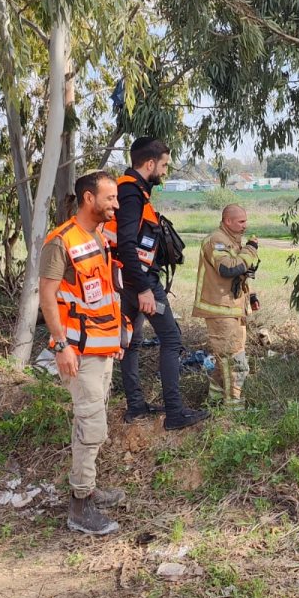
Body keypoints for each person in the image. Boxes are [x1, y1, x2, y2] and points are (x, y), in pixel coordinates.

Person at [39, 171, 128, 536]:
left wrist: (118, 338)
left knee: (92, 422)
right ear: (89, 199)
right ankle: (80, 506)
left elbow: (106, 292)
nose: (116, 205)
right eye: (110, 198)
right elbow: (47, 296)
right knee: (91, 426)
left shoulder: (101, 238)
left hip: (101, 348)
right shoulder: (61, 242)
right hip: (78, 351)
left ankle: (88, 487)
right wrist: (61, 346)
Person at [105, 137, 208, 431]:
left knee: (132, 341)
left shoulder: (130, 190)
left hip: (126, 277)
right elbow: (126, 243)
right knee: (172, 338)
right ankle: (175, 412)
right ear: (149, 164)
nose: (164, 171)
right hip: (138, 278)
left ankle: (136, 406)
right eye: (163, 165)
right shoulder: (131, 193)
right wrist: (144, 289)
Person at [192, 204, 259, 408]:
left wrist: (251, 296)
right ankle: (233, 409)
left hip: (234, 308)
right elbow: (228, 268)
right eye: (241, 221)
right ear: (227, 221)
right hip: (220, 309)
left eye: (245, 221)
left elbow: (241, 272)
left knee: (226, 360)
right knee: (234, 361)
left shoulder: (231, 241)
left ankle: (214, 401)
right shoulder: (216, 241)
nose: (245, 226)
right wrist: (250, 250)